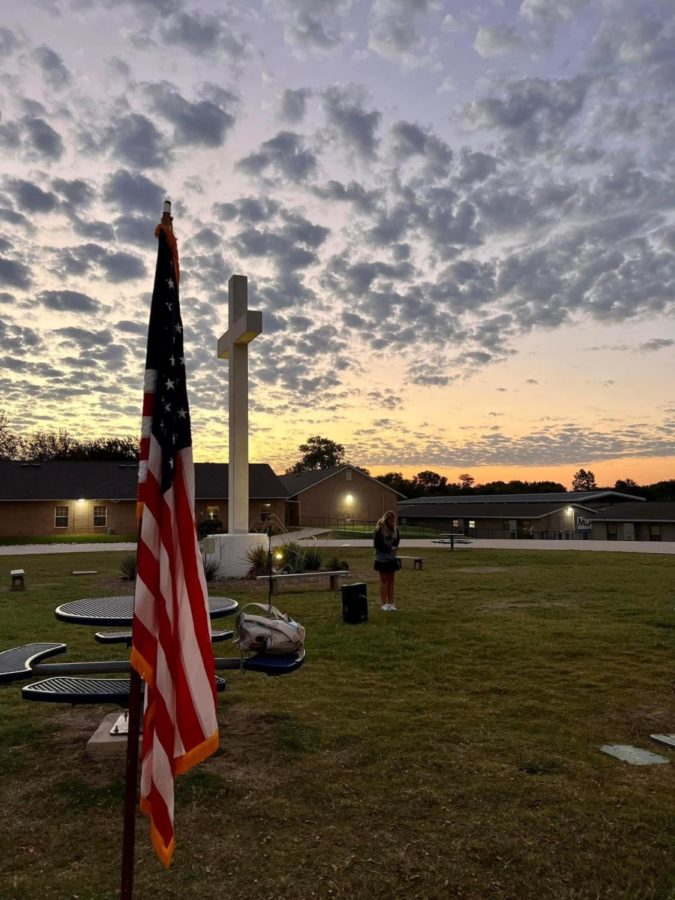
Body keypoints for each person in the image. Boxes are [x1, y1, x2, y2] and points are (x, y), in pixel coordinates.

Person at [373, 510, 400, 611]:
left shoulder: (395, 529)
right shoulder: (379, 529)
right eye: (391, 520)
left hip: (391, 558)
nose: (393, 522)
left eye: (394, 520)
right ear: (387, 519)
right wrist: (390, 548)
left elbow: (397, 540)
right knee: (384, 581)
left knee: (391, 581)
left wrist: (395, 546)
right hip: (382, 559)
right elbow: (377, 545)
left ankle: (391, 604)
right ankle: (384, 604)